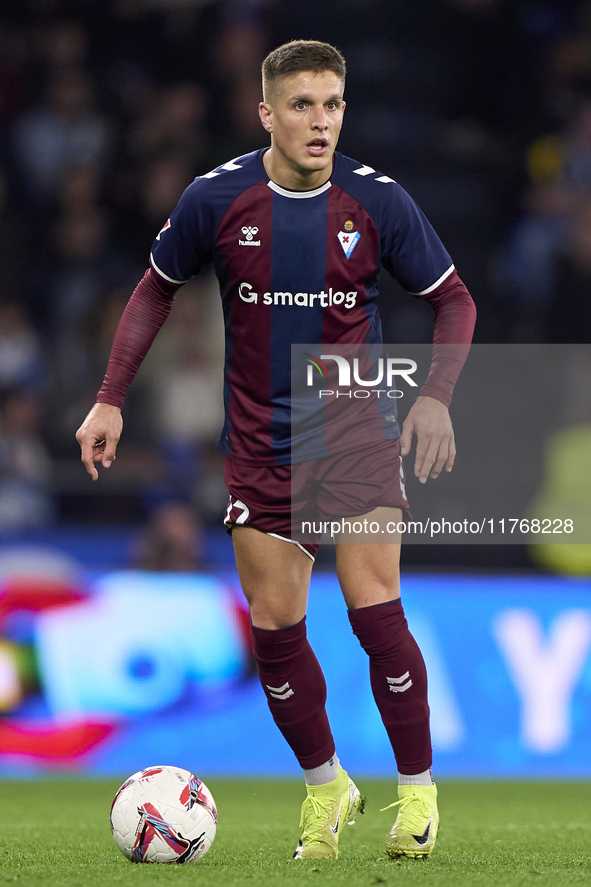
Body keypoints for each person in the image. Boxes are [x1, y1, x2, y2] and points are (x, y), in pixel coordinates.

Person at [76, 40, 476, 861]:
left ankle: (417, 796)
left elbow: (454, 301)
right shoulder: (215, 198)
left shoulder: (377, 203)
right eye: (301, 105)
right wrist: (110, 395)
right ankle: (326, 788)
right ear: (266, 113)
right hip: (260, 441)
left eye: (331, 104)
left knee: (374, 608)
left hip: (355, 427)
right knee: (274, 626)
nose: (320, 121)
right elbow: (156, 286)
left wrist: (433, 397)